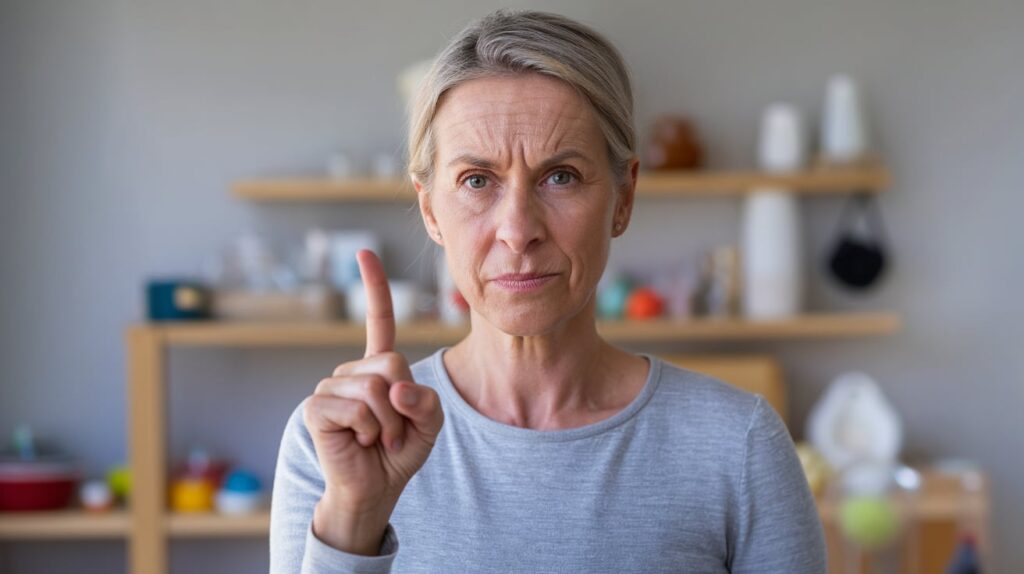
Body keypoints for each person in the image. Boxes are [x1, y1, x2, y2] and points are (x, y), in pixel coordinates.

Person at [270, 9, 826, 573]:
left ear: (623, 198)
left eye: (560, 176)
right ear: (430, 209)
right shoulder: (337, 443)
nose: (518, 229)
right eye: (476, 181)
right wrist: (355, 520)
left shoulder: (738, 444)